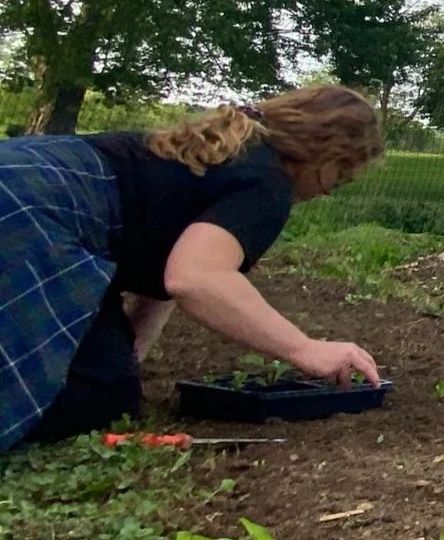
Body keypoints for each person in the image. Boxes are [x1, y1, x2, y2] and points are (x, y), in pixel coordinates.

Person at [0, 86, 385, 450]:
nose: (332, 190)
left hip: (23, 174)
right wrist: (306, 349)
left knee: (111, 380)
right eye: (344, 173)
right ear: (326, 151)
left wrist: (126, 360)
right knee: (95, 398)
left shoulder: (229, 151)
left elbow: (169, 270)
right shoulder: (267, 181)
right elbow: (195, 278)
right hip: (27, 211)